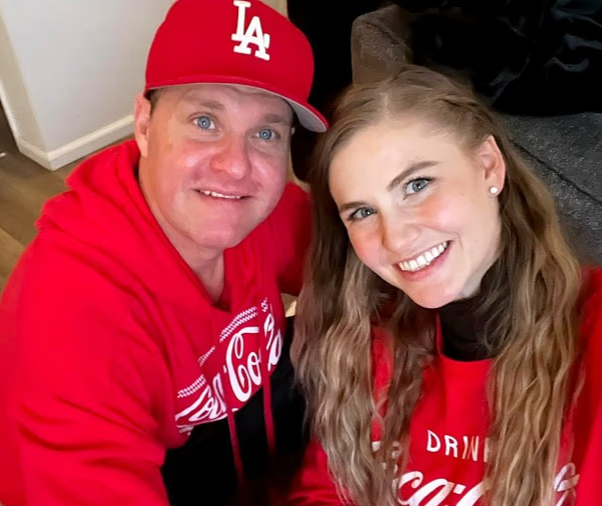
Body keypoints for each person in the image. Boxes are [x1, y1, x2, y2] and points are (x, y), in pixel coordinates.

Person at [0, 1, 327, 505]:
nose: (236, 166)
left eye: (265, 133)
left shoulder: (261, 208)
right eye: (204, 120)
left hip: (251, 436)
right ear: (145, 125)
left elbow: (364, 268)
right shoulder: (67, 322)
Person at [287, 65, 602, 506]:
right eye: (362, 212)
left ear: (489, 165)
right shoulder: (365, 339)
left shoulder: (591, 333)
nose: (396, 239)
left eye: (417, 185)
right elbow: (327, 490)